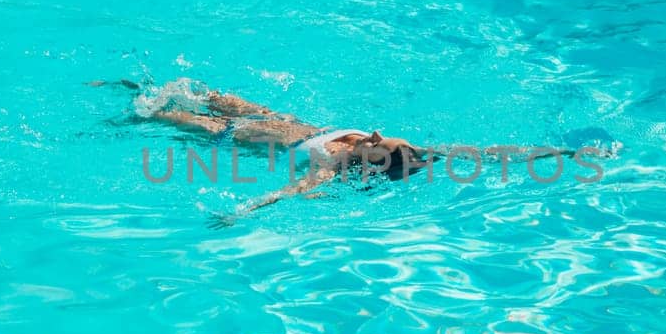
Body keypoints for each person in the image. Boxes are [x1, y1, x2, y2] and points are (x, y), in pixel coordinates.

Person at [93, 77, 430, 217]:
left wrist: (243, 212)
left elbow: (293, 190)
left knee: (162, 112)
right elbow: (438, 151)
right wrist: (486, 154)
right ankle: (129, 82)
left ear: (375, 159)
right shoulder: (394, 150)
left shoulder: (331, 166)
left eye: (378, 141)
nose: (374, 132)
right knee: (202, 91)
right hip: (266, 116)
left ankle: (116, 106)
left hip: (231, 133)